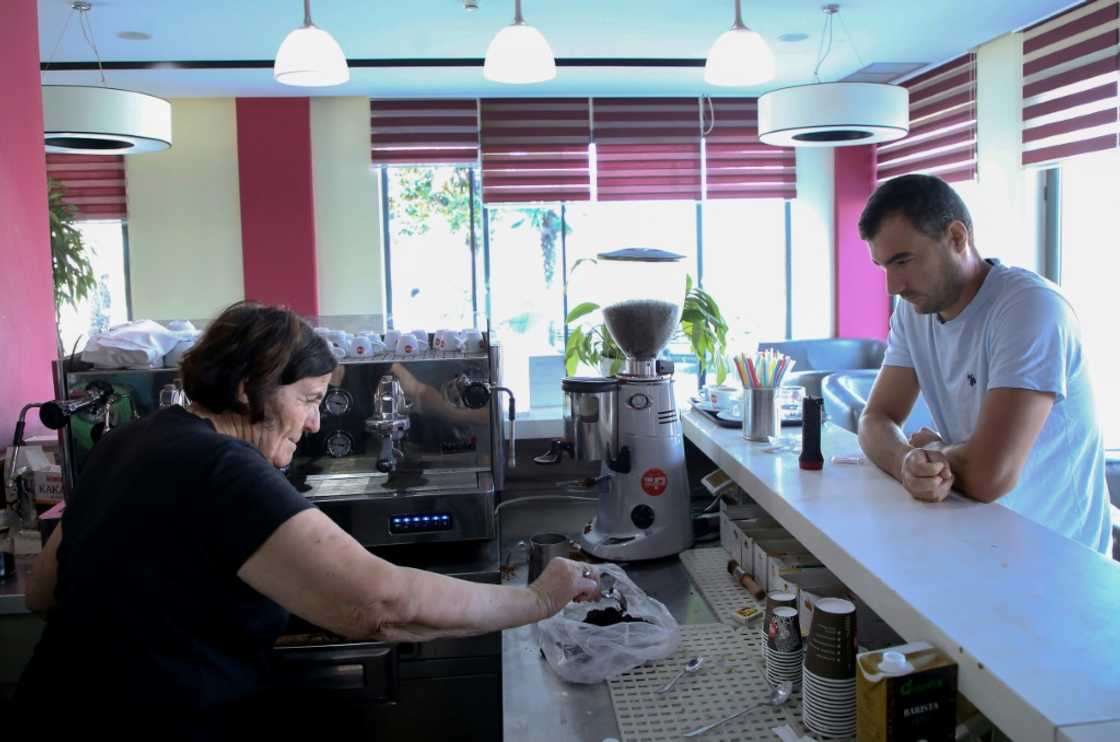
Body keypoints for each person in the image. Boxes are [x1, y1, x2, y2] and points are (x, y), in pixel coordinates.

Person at [17, 302, 599, 736]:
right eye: (311, 399)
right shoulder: (224, 466)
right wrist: (539, 601)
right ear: (250, 388)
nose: (317, 423)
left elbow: (43, 590)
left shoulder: (131, 441)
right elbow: (379, 605)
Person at [856, 174, 1110, 555]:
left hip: (1062, 565)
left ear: (957, 238)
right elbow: (874, 420)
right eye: (883, 267)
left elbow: (992, 475)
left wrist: (939, 449)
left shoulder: (1029, 309)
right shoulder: (914, 313)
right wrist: (908, 461)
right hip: (981, 541)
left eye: (903, 261)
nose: (893, 286)